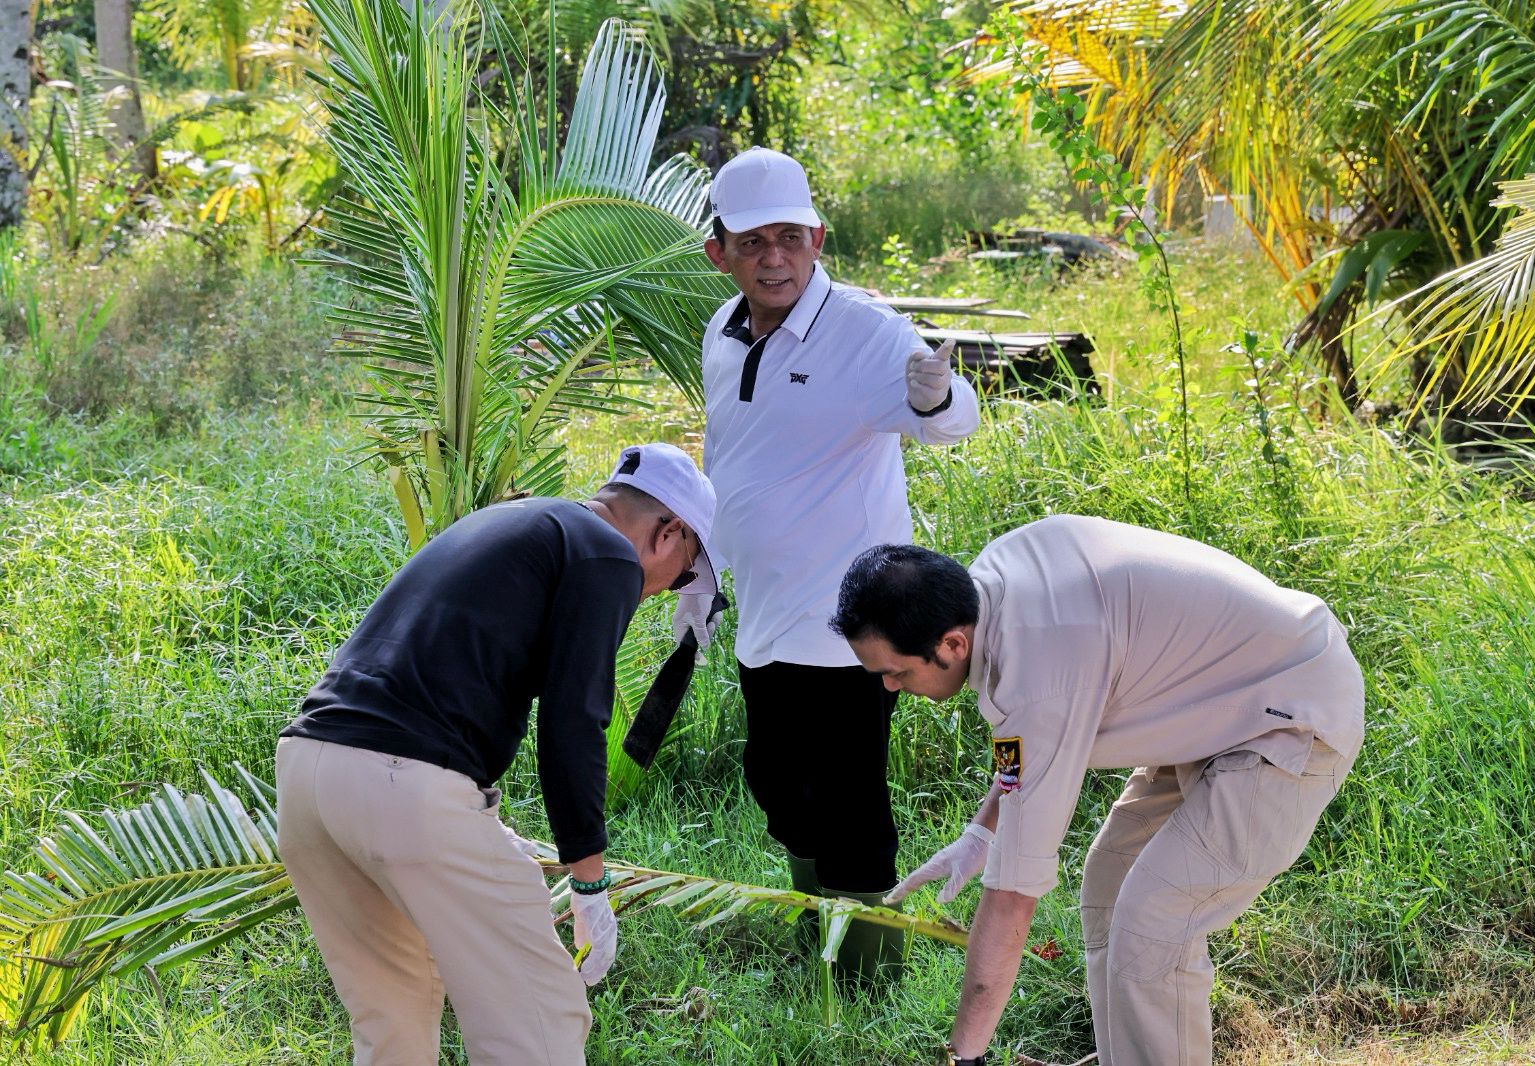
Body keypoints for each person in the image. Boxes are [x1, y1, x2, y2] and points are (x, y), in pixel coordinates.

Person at [829, 516, 1365, 1065]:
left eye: (895, 672)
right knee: (1108, 880)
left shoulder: (1043, 664)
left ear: (951, 643)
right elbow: (1023, 742)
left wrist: (964, 1057)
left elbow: (1013, 897)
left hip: (1288, 716)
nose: (889, 687)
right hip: (1214, 705)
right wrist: (979, 832)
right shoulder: (992, 586)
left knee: (1155, 921)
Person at [276, 443, 722, 1066]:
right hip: (402, 785)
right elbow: (574, 720)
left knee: (393, 1022)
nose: (658, 593)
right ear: (668, 532)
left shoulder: (518, 520)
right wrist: (590, 880)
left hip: (307, 775)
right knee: (540, 1023)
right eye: (680, 576)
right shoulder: (607, 552)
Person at [672, 145, 980, 981]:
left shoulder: (865, 330)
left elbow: (952, 420)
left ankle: (870, 972)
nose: (774, 258)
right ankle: (820, 928)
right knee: (776, 785)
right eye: (752, 242)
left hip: (849, 633)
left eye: (789, 238)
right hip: (763, 612)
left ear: (816, 237)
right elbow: (732, 458)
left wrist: (931, 397)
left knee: (847, 804)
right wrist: (704, 564)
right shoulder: (721, 332)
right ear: (719, 252)